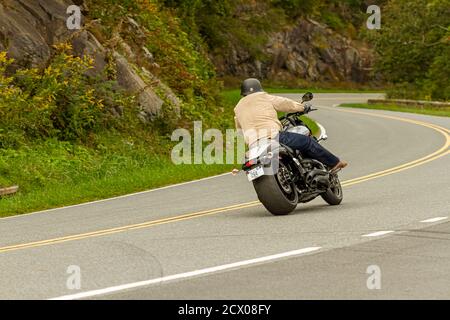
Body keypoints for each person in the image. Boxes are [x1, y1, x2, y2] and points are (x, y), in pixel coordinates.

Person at [234, 78, 348, 171]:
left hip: (254, 144)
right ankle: (334, 163)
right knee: (307, 141)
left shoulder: (237, 108)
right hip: (273, 136)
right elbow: (285, 104)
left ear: (243, 92)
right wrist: (303, 107)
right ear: (259, 88)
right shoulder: (263, 97)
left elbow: (239, 131)